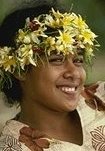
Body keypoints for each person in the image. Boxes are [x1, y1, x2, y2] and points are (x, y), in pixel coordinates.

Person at [0, 1, 105, 151]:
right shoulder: (14, 147)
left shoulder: (100, 96)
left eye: (78, 61)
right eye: (56, 60)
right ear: (20, 70)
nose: (74, 72)